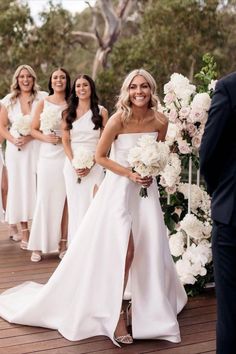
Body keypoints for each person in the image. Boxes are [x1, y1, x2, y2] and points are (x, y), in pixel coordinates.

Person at [0, 69, 187, 347]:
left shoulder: (160, 121)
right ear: (127, 90)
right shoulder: (116, 120)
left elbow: (158, 154)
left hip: (145, 193)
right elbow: (100, 157)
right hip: (118, 192)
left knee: (150, 250)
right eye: (134, 87)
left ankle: (143, 309)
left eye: (144, 86)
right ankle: (114, 315)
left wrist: (150, 171)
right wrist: (130, 173)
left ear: (152, 90)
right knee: (125, 251)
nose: (139, 91)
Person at [199, 72, 236, 354]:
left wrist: (220, 192)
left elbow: (209, 155)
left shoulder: (229, 87)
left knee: (231, 314)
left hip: (232, 215)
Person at [0, 65, 47, 248]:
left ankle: (40, 228)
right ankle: (25, 230)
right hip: (16, 150)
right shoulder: (8, 101)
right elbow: (2, 126)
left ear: (33, 79)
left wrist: (29, 137)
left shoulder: (42, 98)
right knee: (20, 187)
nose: (25, 80)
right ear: (17, 80)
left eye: (28, 76)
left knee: (38, 184)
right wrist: (12, 139)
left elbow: (49, 122)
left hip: (37, 146)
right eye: (21, 77)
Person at [27, 68, 71, 262]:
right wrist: (46, 137)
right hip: (47, 157)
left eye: (62, 77)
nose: (59, 80)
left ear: (67, 81)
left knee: (64, 200)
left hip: (65, 155)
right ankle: (38, 245)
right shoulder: (42, 103)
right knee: (44, 199)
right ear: (51, 82)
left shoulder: (73, 103)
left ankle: (63, 243)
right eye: (55, 77)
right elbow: (32, 129)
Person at [62, 74, 108, 243]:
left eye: (85, 85)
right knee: (75, 207)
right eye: (78, 86)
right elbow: (65, 140)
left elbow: (105, 142)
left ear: (91, 88)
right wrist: (74, 162)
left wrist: (91, 163)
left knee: (94, 206)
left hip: (95, 165)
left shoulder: (102, 112)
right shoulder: (68, 112)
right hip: (72, 165)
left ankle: (93, 245)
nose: (81, 89)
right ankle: (75, 246)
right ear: (74, 90)